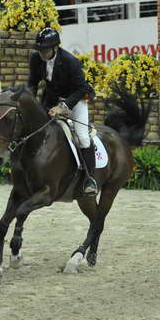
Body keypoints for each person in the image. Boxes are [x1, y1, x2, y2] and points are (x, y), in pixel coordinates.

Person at [28, 27, 98, 196]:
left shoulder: (70, 61)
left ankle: (89, 179)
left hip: (76, 99)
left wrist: (63, 107)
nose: (41, 53)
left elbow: (81, 88)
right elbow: (33, 83)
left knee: (82, 137)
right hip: (52, 98)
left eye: (44, 49)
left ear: (55, 48)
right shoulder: (36, 59)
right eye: (40, 49)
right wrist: (30, 103)